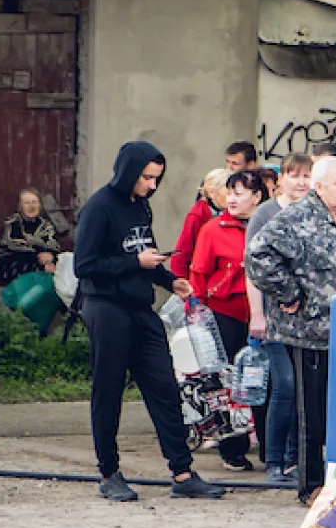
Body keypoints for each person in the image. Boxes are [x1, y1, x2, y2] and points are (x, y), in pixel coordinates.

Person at [72, 140, 226, 502]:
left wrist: (169, 280)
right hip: (105, 307)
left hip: (140, 309)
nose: (152, 186)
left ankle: (183, 472)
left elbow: (147, 256)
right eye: (146, 178)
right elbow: (85, 265)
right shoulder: (99, 207)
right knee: (108, 391)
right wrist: (134, 264)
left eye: (156, 179)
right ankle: (109, 473)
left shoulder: (140, 207)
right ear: (128, 172)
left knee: (165, 388)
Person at [244, 155, 336, 504]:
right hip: (306, 329)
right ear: (318, 185)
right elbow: (257, 255)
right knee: (309, 411)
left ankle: (335, 477)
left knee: (332, 408)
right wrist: (289, 293)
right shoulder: (297, 217)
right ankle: (310, 486)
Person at [189, 169, 266, 470]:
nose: (231, 199)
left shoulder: (269, 225)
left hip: (263, 315)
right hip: (225, 314)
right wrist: (198, 313)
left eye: (239, 193)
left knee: (263, 380)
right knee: (227, 382)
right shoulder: (213, 229)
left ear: (257, 197)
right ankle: (232, 447)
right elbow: (199, 274)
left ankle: (269, 448)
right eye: (229, 193)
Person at [245, 152, 312, 485]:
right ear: (280, 178)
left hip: (307, 322)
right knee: (283, 386)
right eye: (293, 175)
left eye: (305, 175)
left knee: (303, 389)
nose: (300, 181)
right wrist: (257, 314)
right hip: (273, 318)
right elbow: (252, 268)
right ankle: (273, 461)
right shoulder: (265, 214)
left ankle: (294, 460)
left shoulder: (313, 213)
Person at [167, 168, 229, 281]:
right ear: (212, 192)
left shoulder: (228, 211)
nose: (232, 195)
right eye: (228, 190)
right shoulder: (198, 215)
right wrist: (183, 282)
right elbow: (182, 251)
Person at [0, 187, 62, 286]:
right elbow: (14, 246)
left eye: (34, 202)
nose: (31, 206)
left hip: (40, 264)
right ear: (20, 206)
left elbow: (54, 246)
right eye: (27, 203)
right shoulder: (12, 223)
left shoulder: (46, 225)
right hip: (13, 266)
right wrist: (39, 256)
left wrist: (50, 257)